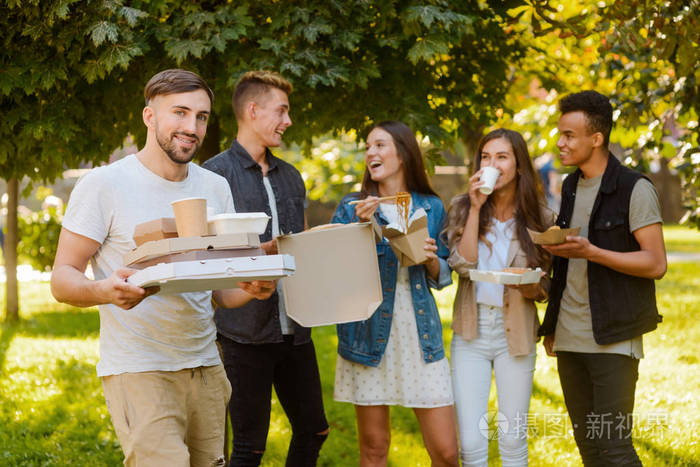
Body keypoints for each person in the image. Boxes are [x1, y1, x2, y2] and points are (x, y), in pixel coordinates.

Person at [50, 69, 276, 467]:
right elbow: (62, 278)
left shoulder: (214, 187)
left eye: (201, 117)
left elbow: (219, 291)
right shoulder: (105, 184)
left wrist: (252, 287)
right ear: (149, 116)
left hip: (206, 368)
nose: (192, 127)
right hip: (140, 371)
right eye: (180, 113)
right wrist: (104, 290)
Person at [202, 71, 328, 467]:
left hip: (296, 330)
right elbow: (206, 255)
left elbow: (301, 244)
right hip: (243, 334)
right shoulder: (212, 175)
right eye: (282, 111)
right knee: (248, 447)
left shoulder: (292, 175)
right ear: (253, 111)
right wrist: (262, 252)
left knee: (315, 429)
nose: (288, 121)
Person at [538, 90, 667, 466]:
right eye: (560, 134)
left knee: (614, 447)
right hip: (569, 337)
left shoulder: (634, 188)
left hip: (613, 339)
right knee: (591, 449)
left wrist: (593, 252)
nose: (559, 143)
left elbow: (656, 263)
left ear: (596, 138)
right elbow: (569, 261)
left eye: (569, 135)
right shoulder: (570, 185)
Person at [331, 120, 458, 467]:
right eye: (369, 146)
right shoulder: (352, 206)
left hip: (420, 333)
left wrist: (431, 260)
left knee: (447, 453)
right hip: (369, 332)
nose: (371, 152)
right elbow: (338, 275)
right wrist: (362, 229)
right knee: (374, 450)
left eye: (380, 145)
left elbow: (443, 275)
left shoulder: (430, 207)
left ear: (402, 153)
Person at [443, 129, 555, 466]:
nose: (492, 164)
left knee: (511, 437)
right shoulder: (462, 207)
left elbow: (546, 289)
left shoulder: (541, 217)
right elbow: (462, 265)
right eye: (486, 157)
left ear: (519, 166)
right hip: (470, 332)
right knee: (472, 442)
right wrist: (476, 207)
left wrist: (531, 287)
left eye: (502, 157)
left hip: (516, 334)